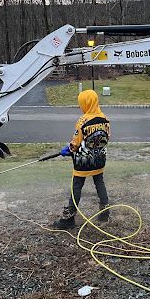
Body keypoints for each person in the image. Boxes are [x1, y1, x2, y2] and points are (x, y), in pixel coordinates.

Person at [53, 89, 110, 230]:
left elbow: (76, 142)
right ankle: (105, 213)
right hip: (99, 159)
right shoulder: (105, 118)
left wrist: (69, 149)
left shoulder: (82, 121)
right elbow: (107, 137)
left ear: (85, 103)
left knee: (76, 186)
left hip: (83, 161)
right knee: (99, 183)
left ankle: (68, 219)